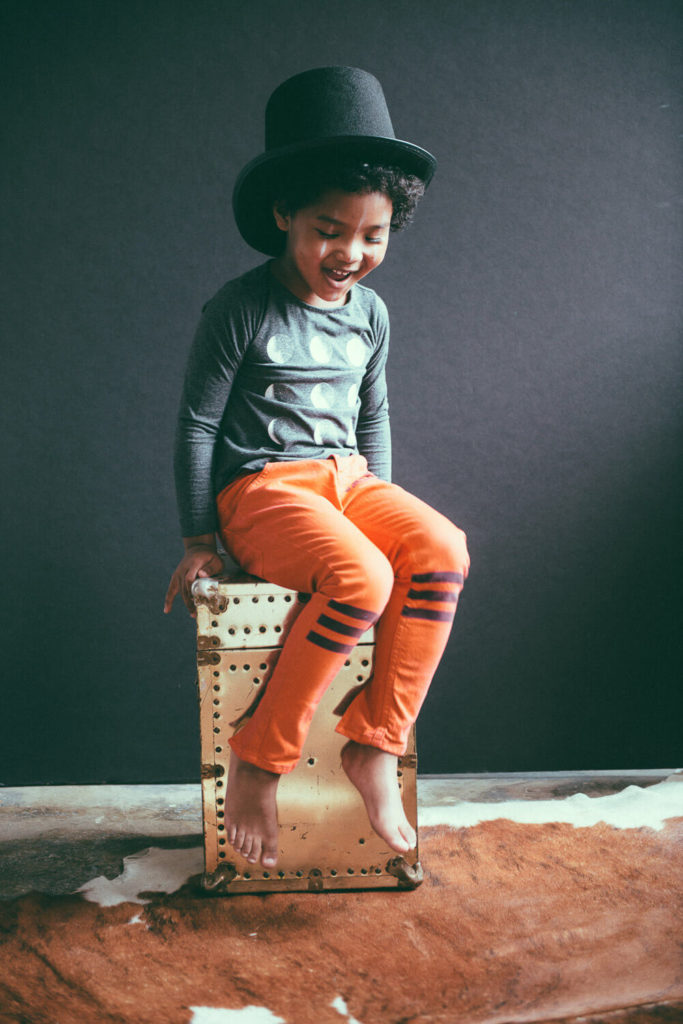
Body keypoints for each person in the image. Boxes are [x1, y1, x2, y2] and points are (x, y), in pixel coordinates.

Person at [164, 67, 470, 871]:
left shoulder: (370, 313)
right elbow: (197, 423)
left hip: (348, 477)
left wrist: (381, 496)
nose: (350, 254)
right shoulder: (241, 308)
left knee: (441, 551)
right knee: (361, 580)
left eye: (372, 236)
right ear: (282, 216)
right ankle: (258, 759)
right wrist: (199, 536)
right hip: (261, 487)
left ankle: (375, 743)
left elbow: (373, 416)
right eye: (328, 230)